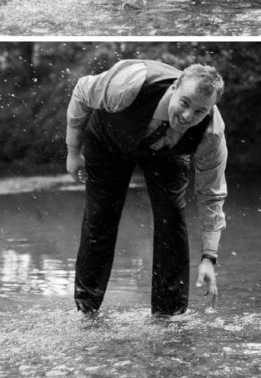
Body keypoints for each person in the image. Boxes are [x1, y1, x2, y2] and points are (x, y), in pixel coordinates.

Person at [65, 58, 227, 318]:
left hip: (166, 152)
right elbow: (83, 91)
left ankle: (169, 314)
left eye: (199, 112)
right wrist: (73, 151)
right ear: (175, 87)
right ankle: (86, 311)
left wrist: (209, 257)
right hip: (109, 138)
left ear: (210, 109)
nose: (188, 116)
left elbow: (212, 196)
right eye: (185, 103)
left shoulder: (211, 134)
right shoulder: (128, 85)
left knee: (172, 218)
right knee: (100, 217)